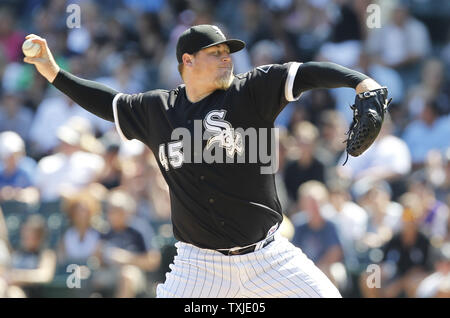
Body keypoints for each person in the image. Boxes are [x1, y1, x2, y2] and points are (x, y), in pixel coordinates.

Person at [24, 24, 387, 298]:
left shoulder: (252, 91)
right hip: (198, 266)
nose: (228, 58)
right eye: (217, 53)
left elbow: (306, 73)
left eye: (229, 52)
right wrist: (54, 72)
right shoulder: (157, 109)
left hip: (270, 258)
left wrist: (362, 82)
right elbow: (108, 102)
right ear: (188, 60)